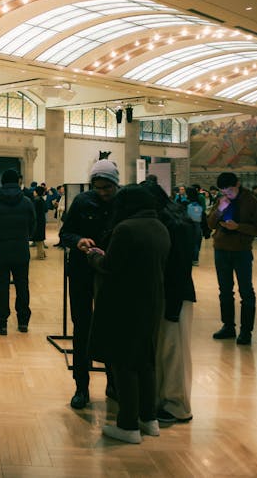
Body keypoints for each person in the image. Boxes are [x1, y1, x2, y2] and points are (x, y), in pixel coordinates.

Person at [90, 185, 170, 444]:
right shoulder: (160, 227)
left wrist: (94, 257)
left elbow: (111, 266)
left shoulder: (126, 228)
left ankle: (128, 425)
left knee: (124, 363)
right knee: (146, 361)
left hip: (125, 303)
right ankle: (149, 419)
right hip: (152, 301)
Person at [59, 159, 120, 409]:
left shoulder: (123, 204)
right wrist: (78, 241)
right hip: (82, 271)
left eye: (108, 187)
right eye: (99, 187)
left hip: (111, 274)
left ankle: (114, 382)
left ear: (116, 184)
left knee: (111, 328)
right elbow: (65, 233)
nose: (103, 192)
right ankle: (81, 386)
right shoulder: (83, 202)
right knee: (82, 327)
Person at [142, 182, 196, 426]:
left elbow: (179, 267)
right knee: (168, 349)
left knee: (173, 351)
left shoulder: (170, 223)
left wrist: (172, 305)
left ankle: (177, 406)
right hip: (172, 293)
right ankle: (167, 401)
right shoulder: (173, 217)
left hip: (174, 294)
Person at [207, 171, 257, 345]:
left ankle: (246, 330)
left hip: (241, 251)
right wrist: (219, 210)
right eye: (224, 192)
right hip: (221, 250)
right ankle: (228, 326)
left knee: (246, 291)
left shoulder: (251, 201)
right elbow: (210, 224)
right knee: (225, 290)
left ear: (238, 184)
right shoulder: (221, 200)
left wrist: (238, 227)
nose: (227, 195)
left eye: (230, 191)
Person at [0, 168, 35, 336]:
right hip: (21, 250)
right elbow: (33, 226)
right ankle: (23, 321)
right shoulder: (26, 201)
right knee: (22, 285)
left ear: (2, 182)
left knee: (2, 286)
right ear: (18, 182)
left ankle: (1, 322)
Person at [31, 186, 48, 259]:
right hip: (41, 220)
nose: (33, 192)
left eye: (34, 191)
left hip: (37, 221)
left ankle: (40, 255)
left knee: (38, 239)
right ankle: (42, 253)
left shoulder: (36, 200)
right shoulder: (42, 200)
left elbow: (33, 212)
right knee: (40, 239)